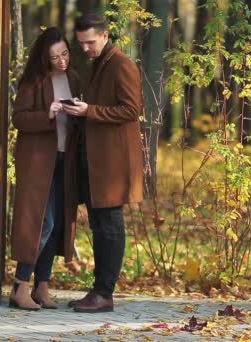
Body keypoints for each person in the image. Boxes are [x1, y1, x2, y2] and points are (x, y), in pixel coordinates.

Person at [61, 13, 143, 313]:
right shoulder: (98, 64)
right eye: (81, 43)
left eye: (90, 42)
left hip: (113, 164)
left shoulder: (122, 65)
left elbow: (131, 110)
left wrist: (89, 111)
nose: (85, 48)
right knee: (100, 225)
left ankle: (104, 293)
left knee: (109, 225)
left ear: (105, 36)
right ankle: (98, 291)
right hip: (97, 161)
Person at [10, 27, 81, 310]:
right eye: (55, 57)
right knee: (42, 222)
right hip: (39, 162)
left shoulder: (75, 79)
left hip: (66, 159)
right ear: (45, 59)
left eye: (65, 54)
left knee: (59, 225)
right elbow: (19, 119)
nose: (62, 61)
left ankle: (42, 286)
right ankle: (19, 286)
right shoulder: (33, 81)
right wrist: (47, 114)